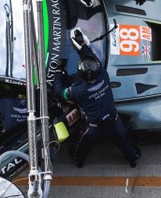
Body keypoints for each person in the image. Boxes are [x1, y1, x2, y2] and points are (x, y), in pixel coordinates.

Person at [51, 28, 141, 168]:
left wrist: (58, 72)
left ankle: (78, 161)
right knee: (125, 142)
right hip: (115, 122)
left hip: (94, 129)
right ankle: (133, 160)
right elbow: (91, 57)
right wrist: (83, 46)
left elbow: (59, 92)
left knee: (82, 147)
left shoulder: (79, 90)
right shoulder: (102, 75)